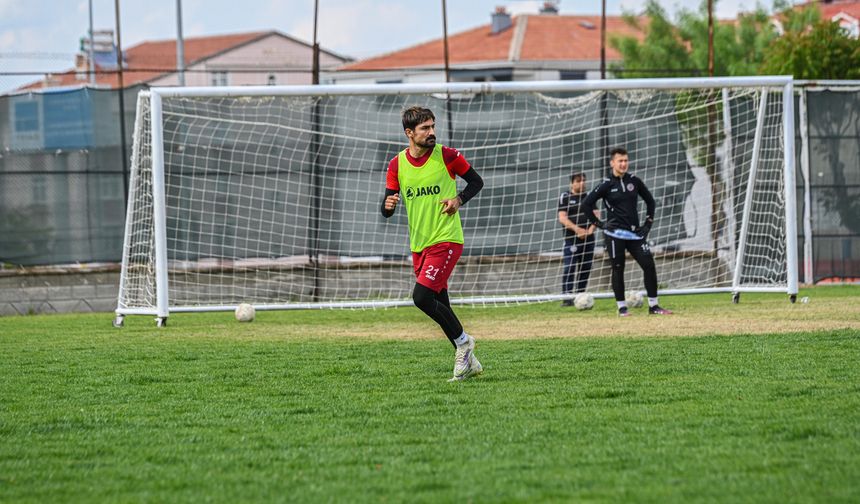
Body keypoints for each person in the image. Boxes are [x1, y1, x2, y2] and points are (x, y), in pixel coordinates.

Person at [381, 106, 485, 381]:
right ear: (409, 133)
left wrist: (458, 200)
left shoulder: (446, 155)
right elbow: (387, 206)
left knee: (422, 298)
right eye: (425, 128)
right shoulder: (396, 164)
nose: (431, 132)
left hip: (447, 239)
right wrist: (388, 205)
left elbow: (476, 181)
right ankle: (468, 364)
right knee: (441, 304)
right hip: (420, 245)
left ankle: (464, 343)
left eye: (432, 126)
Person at [581, 147, 673, 317]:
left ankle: (654, 306)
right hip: (615, 235)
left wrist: (647, 225)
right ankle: (622, 308)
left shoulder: (634, 181)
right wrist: (599, 224)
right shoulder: (606, 184)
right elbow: (586, 204)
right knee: (618, 268)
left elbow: (650, 202)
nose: (623, 164)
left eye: (625, 161)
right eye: (620, 161)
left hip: (635, 234)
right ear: (612, 163)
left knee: (649, 266)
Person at [557, 173, 597, 306]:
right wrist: (577, 230)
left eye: (584, 181)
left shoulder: (590, 196)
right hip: (571, 239)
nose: (582, 183)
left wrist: (589, 231)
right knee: (570, 267)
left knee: (585, 268)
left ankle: (580, 296)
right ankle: (567, 298)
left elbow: (596, 215)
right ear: (572, 183)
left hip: (588, 239)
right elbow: (562, 218)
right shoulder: (565, 197)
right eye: (579, 181)